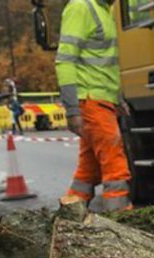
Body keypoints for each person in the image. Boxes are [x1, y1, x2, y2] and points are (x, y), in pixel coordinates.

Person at [55, 0, 131, 211]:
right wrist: (72, 109)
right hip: (90, 100)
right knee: (115, 165)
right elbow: (65, 62)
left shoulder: (105, 11)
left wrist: (118, 99)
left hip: (101, 101)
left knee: (87, 171)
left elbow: (108, 65)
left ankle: (70, 217)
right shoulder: (81, 7)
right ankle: (121, 219)